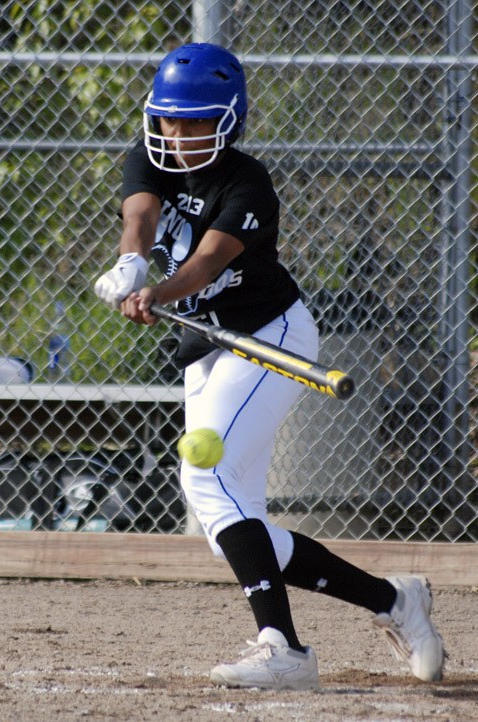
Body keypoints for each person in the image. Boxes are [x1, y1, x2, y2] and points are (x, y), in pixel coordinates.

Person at [94, 42, 444, 690]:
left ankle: (283, 648)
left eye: (197, 121)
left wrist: (157, 294)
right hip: (206, 346)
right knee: (233, 520)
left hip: (268, 336)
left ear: (228, 121)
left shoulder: (247, 182)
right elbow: (140, 214)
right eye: (171, 119)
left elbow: (206, 264)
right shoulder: (149, 157)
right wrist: (131, 265)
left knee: (207, 480)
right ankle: (394, 602)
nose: (179, 133)